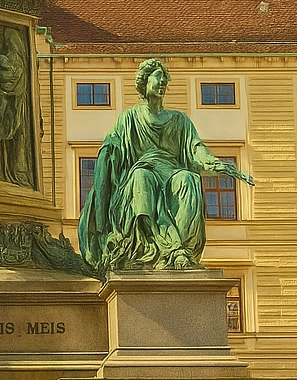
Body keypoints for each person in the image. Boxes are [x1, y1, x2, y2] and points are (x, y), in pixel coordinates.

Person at [79, 59, 252, 273]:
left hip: (172, 172)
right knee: (141, 177)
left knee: (187, 179)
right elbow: (116, 151)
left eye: (165, 79)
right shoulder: (130, 119)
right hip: (142, 173)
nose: (162, 82)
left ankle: (182, 252)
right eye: (158, 77)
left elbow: (195, 148)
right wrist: (109, 150)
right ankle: (154, 248)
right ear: (144, 82)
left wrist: (214, 163)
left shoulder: (179, 120)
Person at [0, 23, 33, 186]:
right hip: (5, 102)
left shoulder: (12, 59)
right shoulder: (12, 58)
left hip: (10, 102)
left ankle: (11, 170)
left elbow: (10, 75)